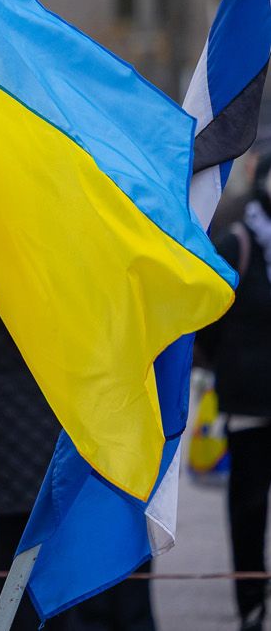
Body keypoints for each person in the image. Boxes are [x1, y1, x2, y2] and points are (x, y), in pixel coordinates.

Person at [0, 265, 69, 630]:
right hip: (19, 395)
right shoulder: (8, 242)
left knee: (35, 531)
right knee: (21, 531)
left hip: (36, 396)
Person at [198, 154, 271, 631]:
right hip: (251, 402)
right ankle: (251, 599)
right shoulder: (236, 241)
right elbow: (207, 321)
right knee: (249, 505)